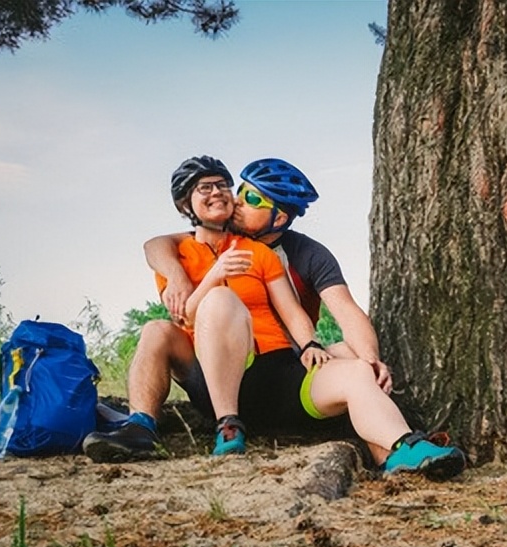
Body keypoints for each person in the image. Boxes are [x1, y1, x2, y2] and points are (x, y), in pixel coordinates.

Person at [84, 156, 465, 479]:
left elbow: (313, 311)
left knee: (356, 366)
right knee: (167, 324)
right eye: (211, 190)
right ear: (187, 205)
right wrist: (195, 276)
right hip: (213, 373)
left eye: (238, 193)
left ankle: (399, 449)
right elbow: (158, 253)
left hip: (278, 370)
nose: (229, 200)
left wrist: (336, 350)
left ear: (279, 217)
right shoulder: (179, 249)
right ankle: (157, 426)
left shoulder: (277, 254)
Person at [144, 157, 392, 394]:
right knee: (158, 331)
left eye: (251, 198)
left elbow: (347, 312)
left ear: (279, 218)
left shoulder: (309, 254)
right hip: (215, 355)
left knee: (353, 357)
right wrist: (177, 275)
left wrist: (371, 360)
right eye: (240, 191)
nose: (239, 202)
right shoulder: (219, 232)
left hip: (285, 357)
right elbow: (157, 244)